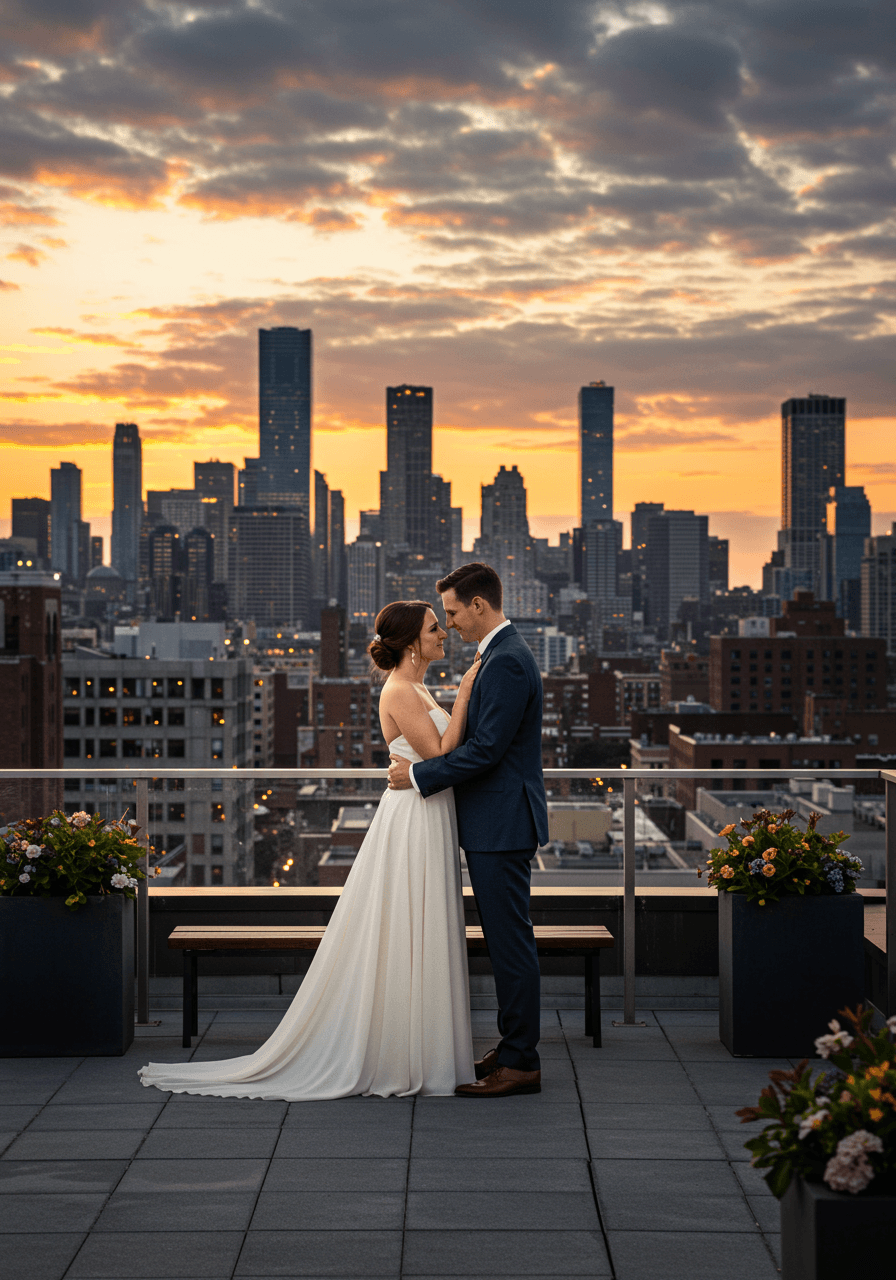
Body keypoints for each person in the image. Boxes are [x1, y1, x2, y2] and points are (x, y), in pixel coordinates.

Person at [138, 600, 479, 1100]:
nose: (443, 633)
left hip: (426, 812)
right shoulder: (402, 689)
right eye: (434, 628)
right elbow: (440, 753)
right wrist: (466, 693)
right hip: (413, 819)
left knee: (420, 920)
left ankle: (419, 1047)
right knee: (411, 918)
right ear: (411, 642)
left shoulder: (419, 684)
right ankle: (406, 1052)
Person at [387, 562, 549, 1098]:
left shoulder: (504, 661)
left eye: (453, 612)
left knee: (509, 944)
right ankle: (511, 1049)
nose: (450, 624)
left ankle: (521, 1060)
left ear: (479, 605)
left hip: (501, 824)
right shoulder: (499, 655)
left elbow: (486, 751)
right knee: (507, 940)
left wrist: (416, 774)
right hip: (494, 822)